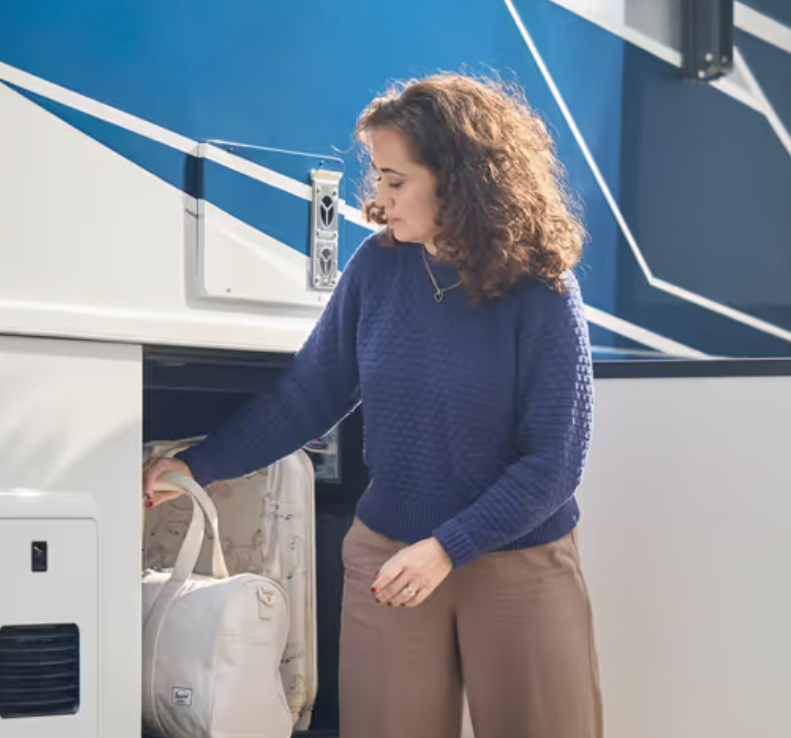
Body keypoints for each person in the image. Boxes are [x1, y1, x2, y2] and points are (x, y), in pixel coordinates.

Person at [143, 72, 602, 738]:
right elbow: (309, 396)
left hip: (518, 564)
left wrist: (447, 548)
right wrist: (198, 466)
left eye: (396, 181)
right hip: (388, 557)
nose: (379, 202)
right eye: (378, 179)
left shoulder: (543, 293)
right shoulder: (377, 269)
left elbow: (553, 465)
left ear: (460, 180)